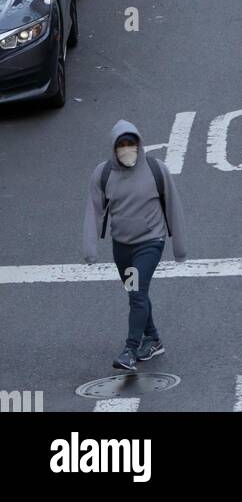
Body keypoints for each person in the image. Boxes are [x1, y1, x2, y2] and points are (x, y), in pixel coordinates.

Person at [83, 119, 188, 372]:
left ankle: (130, 349)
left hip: (150, 243)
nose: (127, 149)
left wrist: (180, 249)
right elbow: (93, 210)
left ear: (139, 145)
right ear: (114, 148)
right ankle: (153, 339)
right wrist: (90, 249)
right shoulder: (103, 173)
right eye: (122, 145)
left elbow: (173, 206)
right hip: (122, 248)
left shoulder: (156, 170)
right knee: (136, 294)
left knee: (137, 293)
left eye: (131, 143)